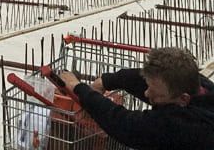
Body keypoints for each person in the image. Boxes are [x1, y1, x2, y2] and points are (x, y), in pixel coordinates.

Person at [59, 47, 214, 149]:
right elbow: (142, 79)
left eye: (155, 93)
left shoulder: (184, 126)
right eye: (148, 86)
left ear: (183, 99)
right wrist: (106, 81)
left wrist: (78, 87)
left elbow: (124, 123)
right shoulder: (197, 85)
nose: (146, 93)